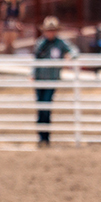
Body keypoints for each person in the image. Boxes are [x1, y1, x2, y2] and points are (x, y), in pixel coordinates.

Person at [31, 17, 76, 148]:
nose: (50, 33)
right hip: (40, 79)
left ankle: (46, 137)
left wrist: (69, 57)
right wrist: (32, 74)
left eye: (52, 30)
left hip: (51, 79)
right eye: (48, 30)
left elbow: (74, 51)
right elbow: (35, 60)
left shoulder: (60, 43)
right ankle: (41, 137)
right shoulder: (40, 43)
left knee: (46, 107)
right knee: (41, 108)